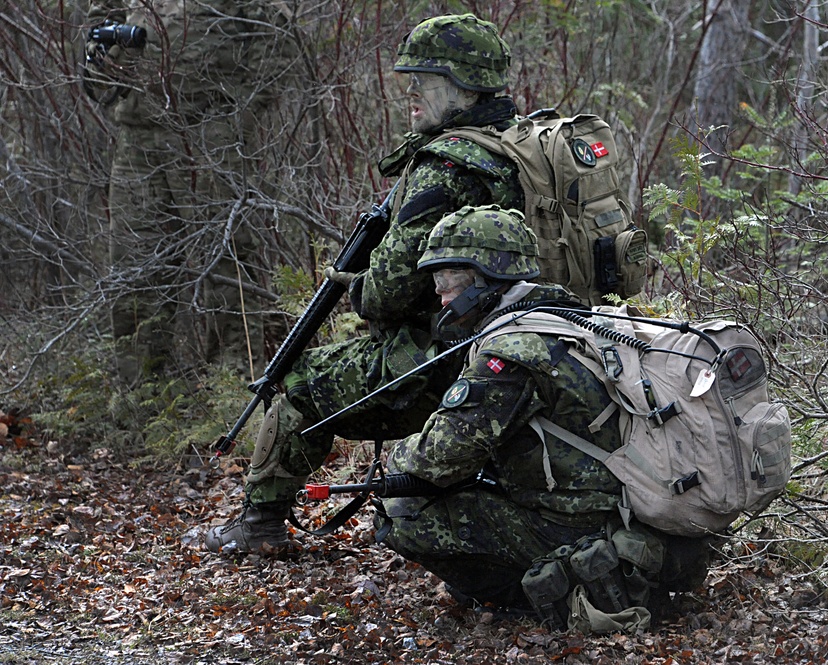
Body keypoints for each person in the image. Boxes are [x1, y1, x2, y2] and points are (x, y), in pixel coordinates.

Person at [204, 14, 525, 552]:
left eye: (425, 79)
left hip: (452, 355)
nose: (411, 91)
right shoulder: (526, 145)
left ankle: (258, 526)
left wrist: (355, 285)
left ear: (464, 85)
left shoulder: (444, 167)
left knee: (298, 382)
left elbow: (388, 294)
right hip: (544, 338)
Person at [376, 205, 712, 631]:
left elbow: (437, 458)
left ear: (485, 278)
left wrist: (394, 461)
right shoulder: (566, 315)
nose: (441, 296)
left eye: (449, 282)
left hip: (578, 523)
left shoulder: (511, 350)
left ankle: (552, 592)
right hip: (636, 510)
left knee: (400, 511)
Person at [82, 0, 295, 383]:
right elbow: (99, 24)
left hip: (210, 129)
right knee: (135, 266)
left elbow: (274, 30)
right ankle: (141, 395)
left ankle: (236, 388)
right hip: (138, 135)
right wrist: (107, 57)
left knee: (227, 259)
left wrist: (242, 114)